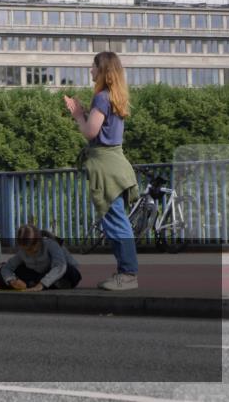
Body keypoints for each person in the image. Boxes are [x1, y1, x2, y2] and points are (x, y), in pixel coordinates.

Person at [65, 51, 139, 291]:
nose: (90, 70)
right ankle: (125, 272)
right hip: (117, 163)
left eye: (93, 66)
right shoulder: (116, 97)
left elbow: (90, 132)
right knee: (116, 219)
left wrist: (77, 114)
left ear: (103, 70)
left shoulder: (101, 98)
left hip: (105, 166)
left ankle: (128, 274)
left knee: (116, 221)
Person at [0, 225, 81, 291]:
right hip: (39, 275)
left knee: (68, 270)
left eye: (31, 249)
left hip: (61, 274)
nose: (28, 252)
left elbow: (59, 266)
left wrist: (42, 284)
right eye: (25, 249)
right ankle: (35, 284)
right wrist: (12, 280)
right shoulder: (22, 252)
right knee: (7, 272)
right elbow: (7, 268)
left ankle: (44, 284)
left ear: (38, 242)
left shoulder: (50, 244)